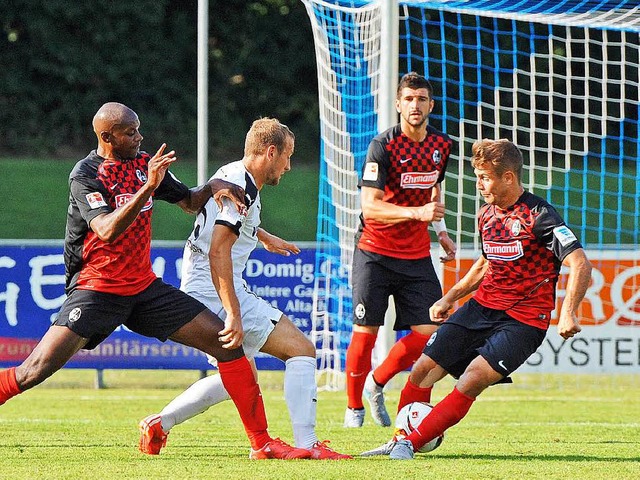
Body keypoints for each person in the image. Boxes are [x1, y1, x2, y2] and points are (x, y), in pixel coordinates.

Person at [0, 102, 311, 460]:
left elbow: (190, 201)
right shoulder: (86, 174)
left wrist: (216, 186)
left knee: (226, 343)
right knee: (32, 372)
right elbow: (106, 230)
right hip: (98, 289)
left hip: (144, 288)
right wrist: (148, 186)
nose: (139, 136)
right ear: (107, 137)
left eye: (138, 129)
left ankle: (262, 443)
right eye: (130, 132)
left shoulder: (142, 163)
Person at [362, 138, 592, 459]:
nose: (479, 185)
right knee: (422, 370)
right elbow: (485, 264)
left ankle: (409, 445)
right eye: (478, 177)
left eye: (485, 177)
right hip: (481, 308)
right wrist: (449, 298)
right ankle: (401, 436)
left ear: (508, 178)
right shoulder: (486, 214)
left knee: (471, 379)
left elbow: (580, 262)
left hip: (523, 320)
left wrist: (570, 312)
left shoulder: (539, 216)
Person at [138, 117, 351, 460]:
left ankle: (159, 423)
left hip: (199, 285)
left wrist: (261, 236)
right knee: (301, 350)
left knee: (236, 376)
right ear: (270, 152)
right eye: (287, 157)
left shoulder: (232, 173)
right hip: (214, 289)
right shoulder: (244, 186)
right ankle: (307, 445)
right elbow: (218, 249)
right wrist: (233, 313)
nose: (289, 165)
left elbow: (223, 224)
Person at [344, 72, 457, 428]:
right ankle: (353, 410)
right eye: (408, 99)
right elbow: (370, 206)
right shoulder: (383, 146)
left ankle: (377, 383)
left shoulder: (442, 145)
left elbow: (434, 191)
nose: (415, 105)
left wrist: (440, 231)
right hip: (375, 252)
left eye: (421, 99)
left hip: (416, 255)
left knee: (432, 333)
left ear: (430, 105)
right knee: (366, 334)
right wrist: (416, 213)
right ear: (398, 104)